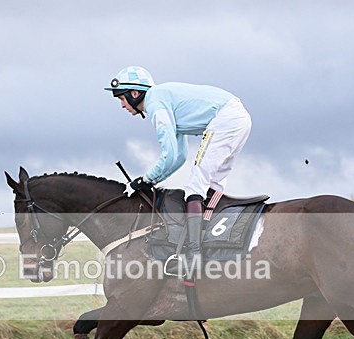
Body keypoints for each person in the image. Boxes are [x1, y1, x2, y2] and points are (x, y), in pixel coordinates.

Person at [105, 66, 252, 276]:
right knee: (213, 186)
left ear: (134, 93)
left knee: (195, 186)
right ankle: (208, 243)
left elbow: (169, 154)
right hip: (238, 118)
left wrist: (145, 179)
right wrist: (150, 181)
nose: (122, 105)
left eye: (122, 98)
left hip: (226, 119)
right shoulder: (163, 99)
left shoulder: (155, 104)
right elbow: (179, 157)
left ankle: (194, 254)